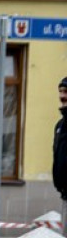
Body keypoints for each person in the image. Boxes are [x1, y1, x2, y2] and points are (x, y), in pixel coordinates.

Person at [52, 76, 67, 229]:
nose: (62, 96)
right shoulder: (60, 125)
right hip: (64, 192)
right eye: (61, 91)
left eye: (66, 91)